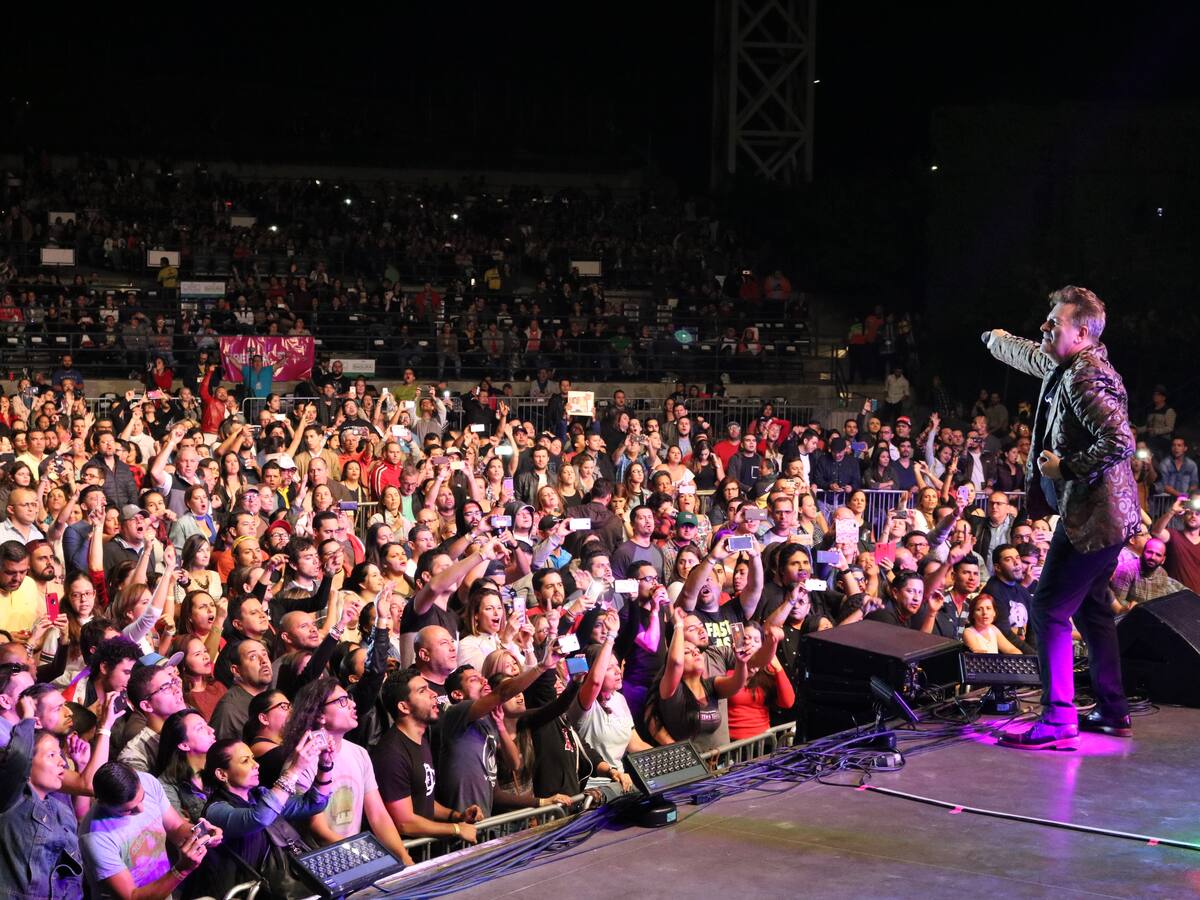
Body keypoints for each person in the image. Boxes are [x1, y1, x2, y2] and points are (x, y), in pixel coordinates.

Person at [983, 285, 1139, 748]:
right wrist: (994, 339)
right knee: (1092, 610)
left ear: (1083, 331)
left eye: (1055, 322)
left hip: (1092, 520)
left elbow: (1120, 441)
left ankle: (1057, 720)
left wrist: (1065, 467)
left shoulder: (1083, 377)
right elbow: (1032, 354)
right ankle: (1112, 711)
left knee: (1048, 608)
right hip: (1099, 519)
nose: (1046, 327)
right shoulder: (1066, 363)